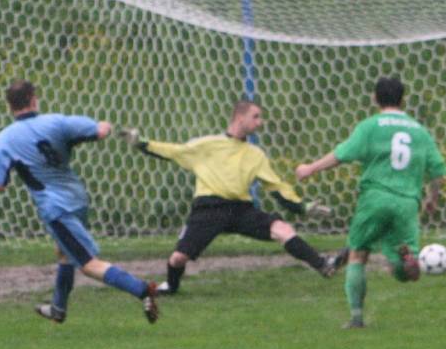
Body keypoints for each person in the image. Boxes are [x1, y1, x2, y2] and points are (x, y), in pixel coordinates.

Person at [0, 80, 158, 324]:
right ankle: (58, 308)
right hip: (77, 198)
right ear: (33, 99)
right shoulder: (56, 122)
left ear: (9, 106)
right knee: (64, 252)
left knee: (88, 265)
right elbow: (100, 130)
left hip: (55, 208)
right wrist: (107, 126)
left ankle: (142, 290)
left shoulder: (5, 139)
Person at [121, 99, 348, 296]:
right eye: (256, 116)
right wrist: (141, 143)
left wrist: (302, 207)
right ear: (239, 118)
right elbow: (173, 151)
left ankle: (323, 265)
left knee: (282, 229)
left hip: (240, 209)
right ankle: (170, 286)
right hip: (209, 208)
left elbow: (277, 187)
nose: (260, 122)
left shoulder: (255, 154)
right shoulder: (207, 145)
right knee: (179, 258)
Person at [296, 76, 446, 328]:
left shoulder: (370, 126)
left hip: (375, 198)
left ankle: (356, 318)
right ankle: (406, 263)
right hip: (407, 202)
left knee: (358, 254)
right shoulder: (419, 130)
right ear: (403, 99)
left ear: (375, 98)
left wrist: (311, 168)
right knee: (402, 263)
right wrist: (432, 198)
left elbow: (341, 154)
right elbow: (438, 170)